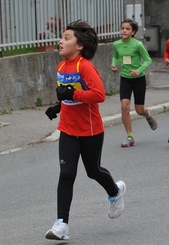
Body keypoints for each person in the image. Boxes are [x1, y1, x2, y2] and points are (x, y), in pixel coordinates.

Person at [44, 20, 126, 241]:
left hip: (90, 130)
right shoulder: (61, 67)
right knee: (67, 174)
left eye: (67, 38)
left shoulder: (85, 66)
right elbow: (67, 93)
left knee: (93, 171)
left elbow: (98, 95)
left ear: (79, 45)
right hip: (68, 130)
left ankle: (115, 192)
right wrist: (58, 106)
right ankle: (62, 225)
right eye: (62, 37)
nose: (61, 41)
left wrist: (72, 95)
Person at [111, 18, 157, 147]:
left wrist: (139, 70)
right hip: (125, 79)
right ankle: (130, 137)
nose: (124, 31)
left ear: (133, 32)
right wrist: (114, 65)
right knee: (124, 106)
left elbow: (148, 60)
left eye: (127, 29)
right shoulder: (116, 44)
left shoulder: (137, 45)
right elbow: (115, 56)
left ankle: (147, 114)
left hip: (138, 79)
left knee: (139, 110)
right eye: (122, 28)